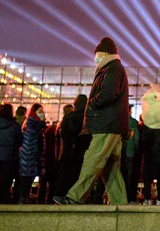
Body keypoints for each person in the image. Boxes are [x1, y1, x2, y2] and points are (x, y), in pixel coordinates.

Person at [54, 37, 129, 205]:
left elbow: (108, 93)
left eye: (97, 55)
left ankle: (75, 197)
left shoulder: (111, 68)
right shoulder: (113, 68)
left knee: (92, 160)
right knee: (110, 168)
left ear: (103, 53)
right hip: (112, 124)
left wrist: (92, 104)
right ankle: (121, 204)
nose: (95, 58)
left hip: (106, 124)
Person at [0, 103, 23, 204]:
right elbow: (20, 141)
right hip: (9, 158)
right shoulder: (15, 126)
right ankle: (3, 202)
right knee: (5, 184)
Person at [55, 94, 88, 198]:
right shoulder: (88, 118)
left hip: (68, 152)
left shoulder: (69, 116)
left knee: (64, 177)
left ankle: (61, 197)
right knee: (79, 177)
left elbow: (63, 134)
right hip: (83, 153)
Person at [18, 103, 46, 204]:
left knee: (28, 177)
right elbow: (32, 138)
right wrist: (42, 122)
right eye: (40, 111)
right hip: (28, 154)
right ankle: (23, 198)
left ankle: (24, 197)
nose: (42, 114)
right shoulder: (32, 123)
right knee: (26, 177)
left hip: (29, 154)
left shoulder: (32, 123)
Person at [121, 104, 140, 204]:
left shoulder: (118, 121)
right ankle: (130, 198)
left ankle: (121, 197)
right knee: (130, 176)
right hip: (130, 152)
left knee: (121, 176)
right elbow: (136, 138)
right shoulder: (133, 122)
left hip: (119, 153)